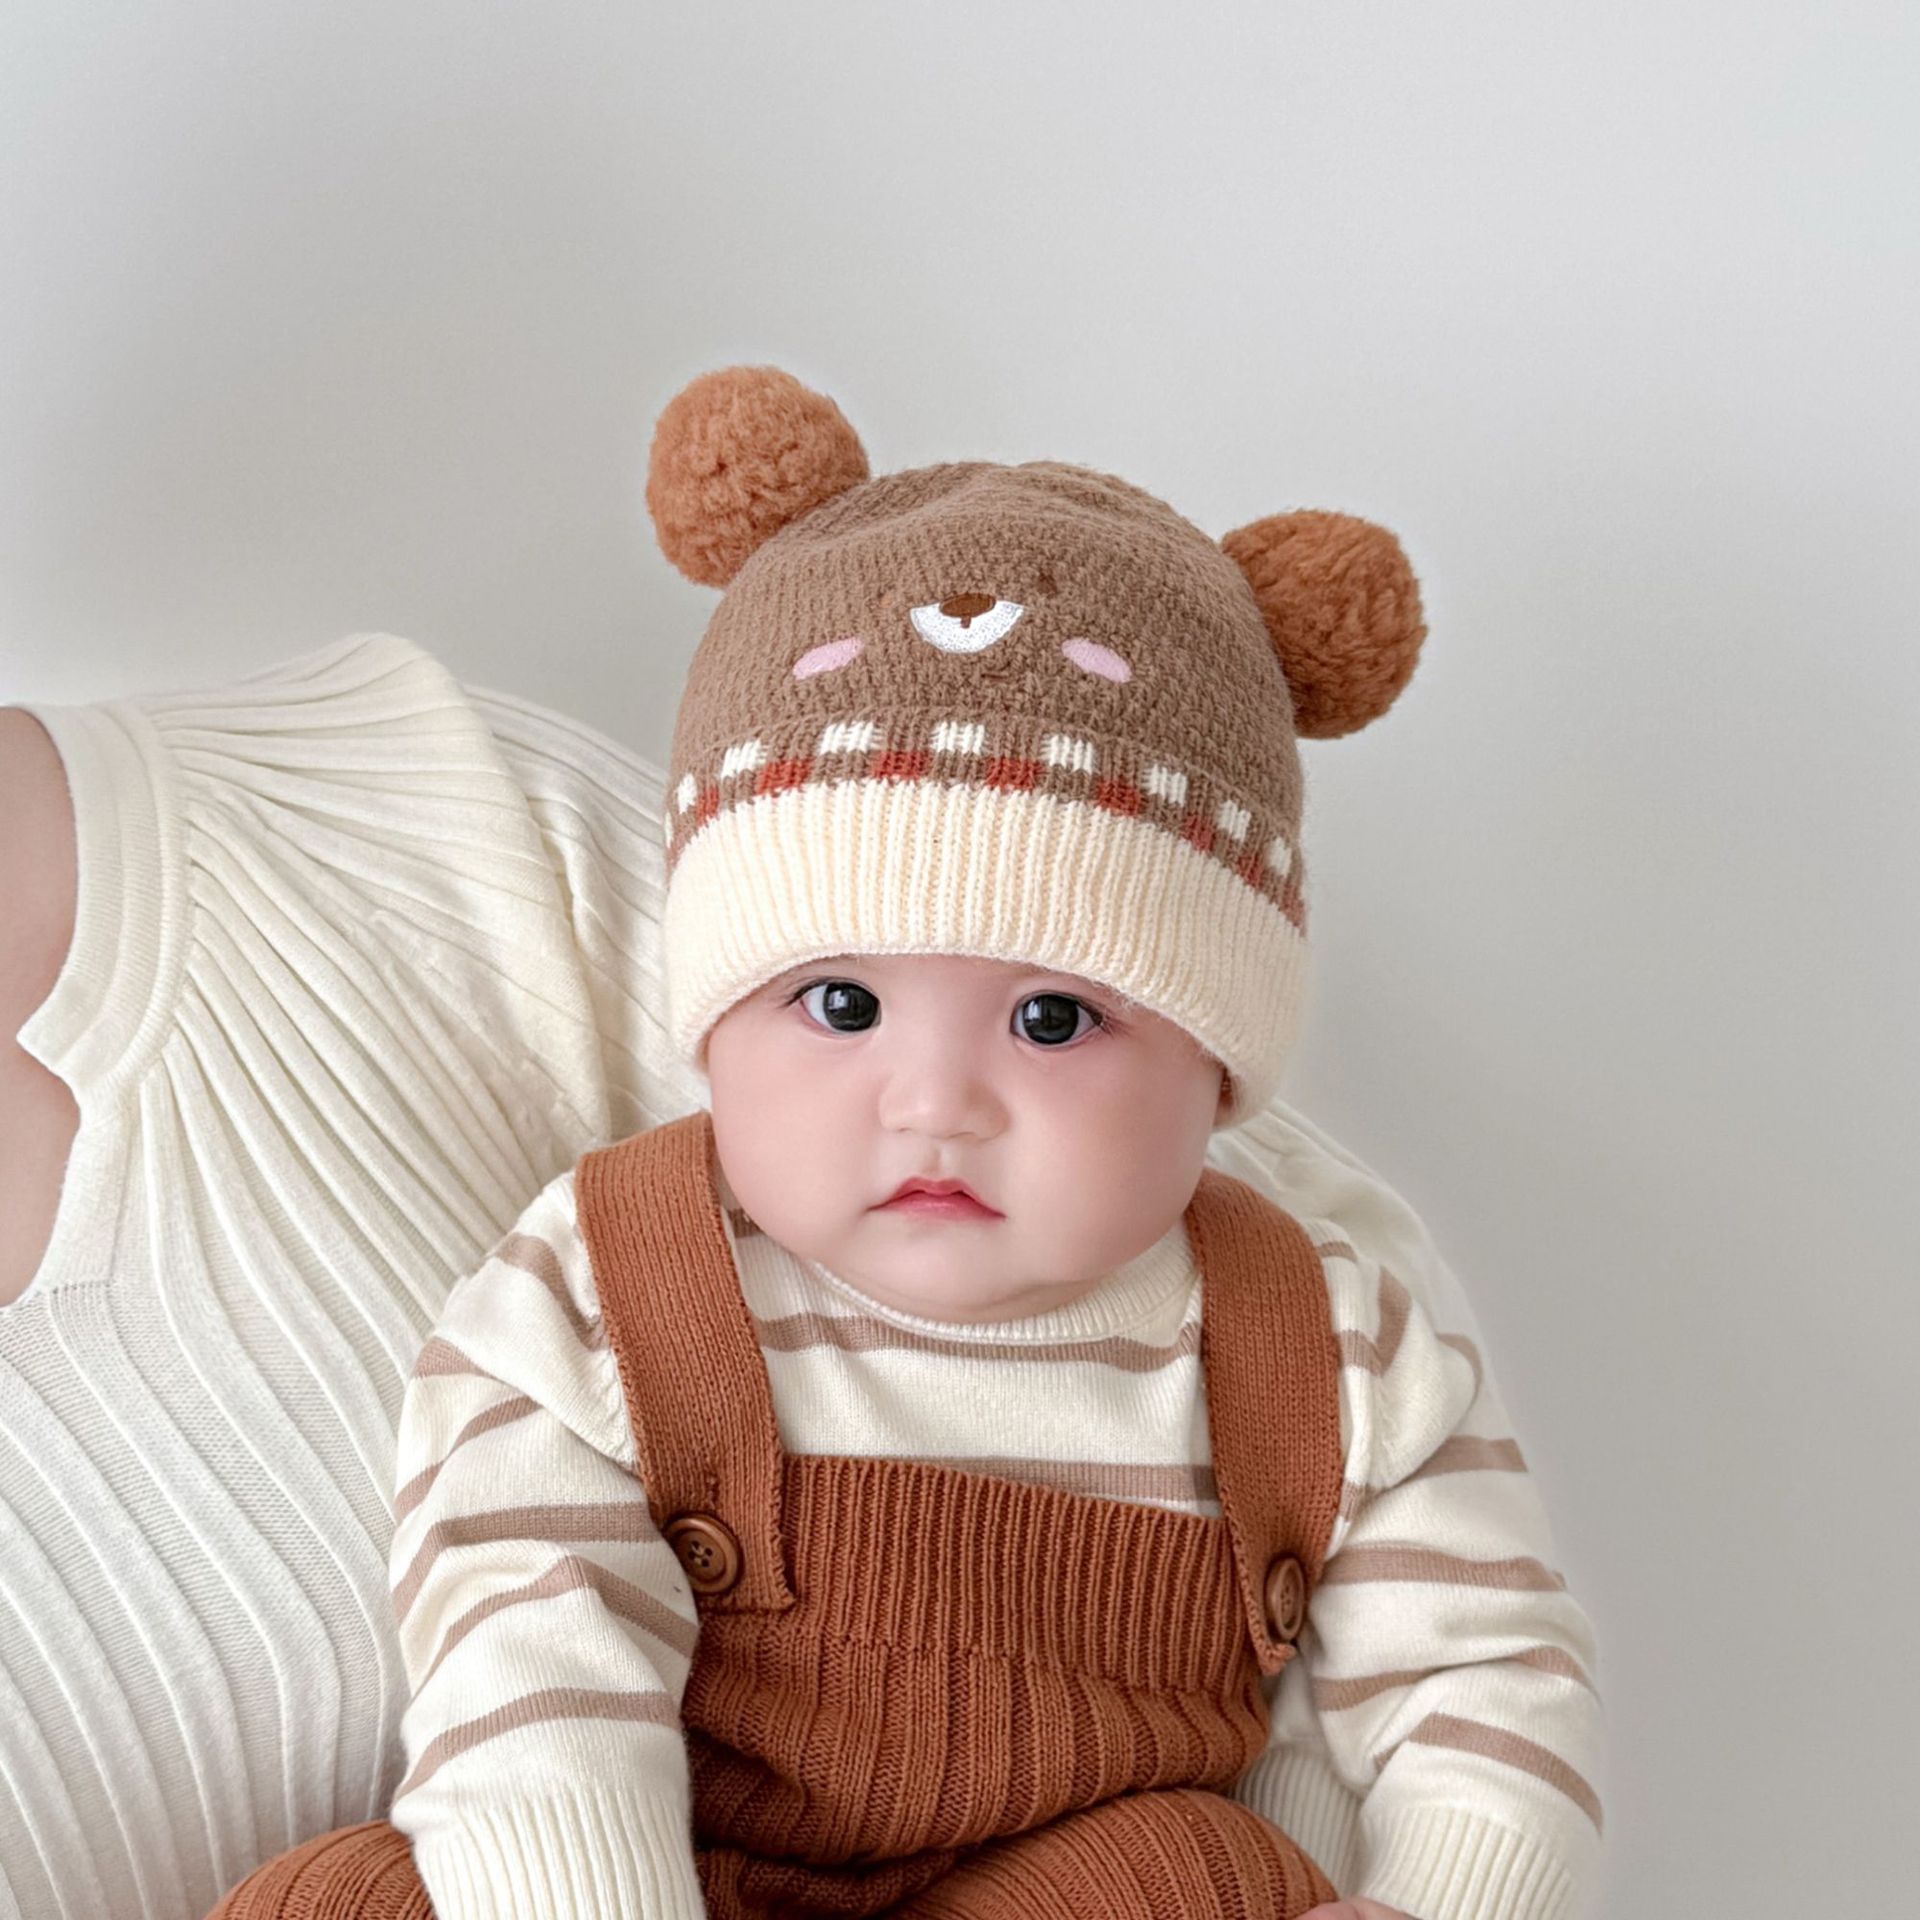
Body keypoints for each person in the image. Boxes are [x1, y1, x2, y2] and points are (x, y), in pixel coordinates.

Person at [201, 367, 1605, 1920]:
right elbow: (527, 1652)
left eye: (1055, 1021)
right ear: (714, 1027)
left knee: (1206, 1878)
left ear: (1216, 1072)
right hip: (661, 1873)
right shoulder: (611, 1282)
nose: (936, 1100)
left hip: (1060, 1886)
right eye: (843, 1001)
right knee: (340, 1900)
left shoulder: (1327, 1339)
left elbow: (1484, 1678)